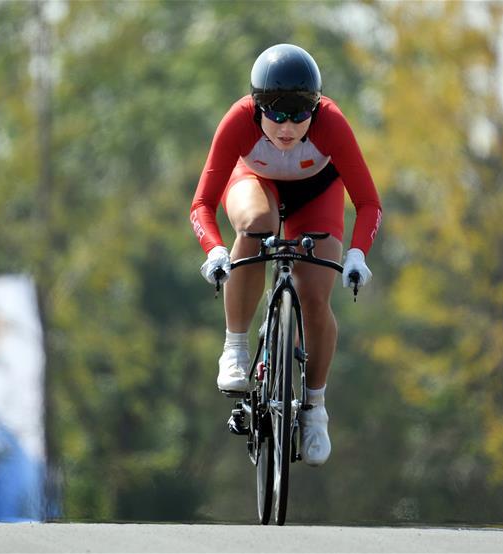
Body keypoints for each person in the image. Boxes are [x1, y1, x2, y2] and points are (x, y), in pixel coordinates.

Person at [190, 44, 382, 466]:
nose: (288, 126)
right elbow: (201, 204)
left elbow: (368, 202)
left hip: (318, 192)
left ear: (316, 108)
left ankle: (314, 407)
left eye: (300, 114)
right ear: (256, 107)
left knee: (314, 294)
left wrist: (357, 254)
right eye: (276, 113)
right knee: (256, 225)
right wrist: (215, 249)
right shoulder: (238, 120)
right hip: (255, 182)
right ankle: (236, 347)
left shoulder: (332, 124)